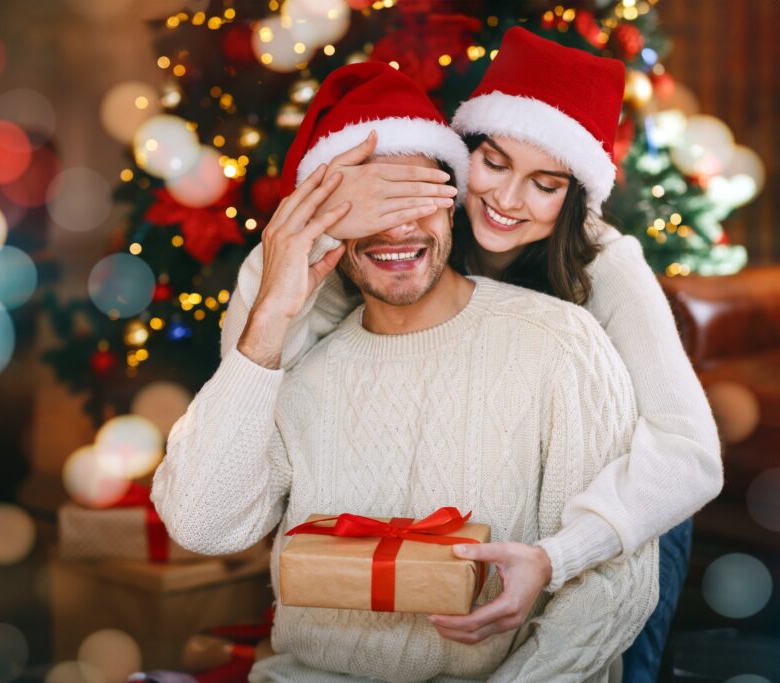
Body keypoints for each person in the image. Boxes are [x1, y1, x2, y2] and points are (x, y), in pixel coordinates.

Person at [220, 28, 722, 680]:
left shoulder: (606, 264)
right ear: (465, 152)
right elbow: (264, 353)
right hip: (469, 494)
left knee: (639, 555)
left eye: (545, 183)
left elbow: (688, 451)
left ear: (575, 196)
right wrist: (305, 224)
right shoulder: (417, 226)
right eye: (494, 163)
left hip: (610, 494)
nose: (508, 200)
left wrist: (566, 552)